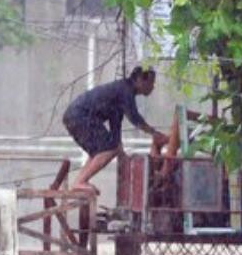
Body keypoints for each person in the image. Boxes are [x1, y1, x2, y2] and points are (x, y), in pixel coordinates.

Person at [62, 66, 168, 195]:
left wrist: (121, 152)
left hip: (74, 116)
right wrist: (154, 133)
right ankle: (80, 182)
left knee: (100, 153)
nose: (153, 86)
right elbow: (134, 118)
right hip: (80, 116)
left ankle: (79, 182)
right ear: (140, 79)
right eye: (151, 82)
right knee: (107, 150)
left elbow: (115, 125)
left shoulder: (120, 92)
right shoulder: (126, 90)